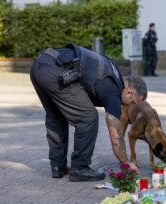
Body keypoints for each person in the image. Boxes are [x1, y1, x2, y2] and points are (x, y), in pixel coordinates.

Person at [30, 44, 147, 182]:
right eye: (133, 102)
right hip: (56, 72)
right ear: (129, 92)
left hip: (40, 64)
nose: (130, 106)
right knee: (88, 117)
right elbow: (116, 137)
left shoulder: (114, 72)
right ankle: (80, 168)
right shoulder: (113, 92)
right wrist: (126, 162)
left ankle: (58, 166)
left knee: (56, 116)